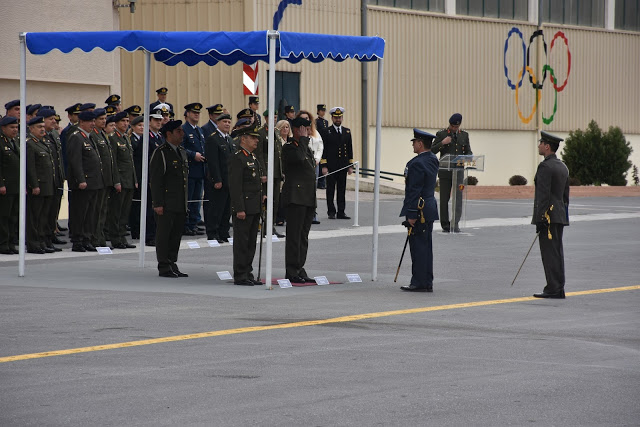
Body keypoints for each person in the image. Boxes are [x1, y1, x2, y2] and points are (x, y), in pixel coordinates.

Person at [400, 129, 439, 292]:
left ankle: (419, 282)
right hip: (429, 206)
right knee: (426, 247)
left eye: (414, 142)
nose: (413, 145)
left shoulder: (415, 163)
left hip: (419, 209)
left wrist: (411, 213)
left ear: (420, 144)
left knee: (418, 248)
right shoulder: (432, 159)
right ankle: (426, 280)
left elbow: (414, 190)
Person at [532, 131, 570, 299]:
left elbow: (543, 195)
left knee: (549, 254)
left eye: (541, 143)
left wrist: (540, 218)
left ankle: (553, 288)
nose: (539, 145)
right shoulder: (562, 166)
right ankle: (558, 287)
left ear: (547, 147)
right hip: (559, 215)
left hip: (548, 217)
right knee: (556, 252)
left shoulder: (545, 166)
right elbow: (565, 196)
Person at [149, 120, 189, 278]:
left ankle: (172, 262)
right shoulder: (161, 152)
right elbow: (157, 180)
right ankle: (164, 265)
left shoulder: (182, 151)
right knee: (164, 234)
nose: (182, 133)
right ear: (169, 134)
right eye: (178, 131)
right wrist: (158, 203)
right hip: (166, 202)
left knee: (176, 234)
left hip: (179, 201)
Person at [228, 125, 266, 286]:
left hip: (254, 206)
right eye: (253, 137)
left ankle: (248, 272)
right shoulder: (238, 158)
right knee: (242, 242)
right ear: (243, 139)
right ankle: (240, 274)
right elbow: (235, 186)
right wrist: (239, 208)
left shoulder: (252, 157)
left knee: (251, 241)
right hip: (244, 208)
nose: (256, 140)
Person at [282, 116, 316, 283]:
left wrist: (304, 142)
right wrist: (302, 140)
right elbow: (299, 159)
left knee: (303, 236)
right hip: (296, 198)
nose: (307, 132)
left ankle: (300, 267)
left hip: (307, 198)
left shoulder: (305, 146)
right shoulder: (290, 147)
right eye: (304, 129)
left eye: (308, 129)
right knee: (294, 236)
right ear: (296, 130)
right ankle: (291, 270)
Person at [66, 111, 104, 252]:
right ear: (82, 122)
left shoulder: (88, 137)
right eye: (90, 122)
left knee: (91, 213)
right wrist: (80, 180)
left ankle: (87, 239)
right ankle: (78, 241)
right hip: (84, 183)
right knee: (80, 213)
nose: (93, 124)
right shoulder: (76, 137)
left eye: (94, 121)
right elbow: (75, 162)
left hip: (94, 183)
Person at [431, 113, 472, 233]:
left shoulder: (464, 135)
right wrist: (442, 143)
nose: (454, 129)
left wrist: (469, 156)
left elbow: (468, 150)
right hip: (445, 171)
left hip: (458, 171)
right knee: (444, 199)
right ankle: (445, 225)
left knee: (458, 198)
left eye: (456, 127)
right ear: (450, 124)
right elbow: (432, 150)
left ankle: (455, 223)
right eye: (453, 126)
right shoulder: (441, 134)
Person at [26, 116, 57, 253]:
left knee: (44, 216)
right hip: (38, 186)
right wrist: (34, 185)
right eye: (39, 127)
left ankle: (42, 241)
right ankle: (33, 243)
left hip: (48, 185)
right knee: (35, 216)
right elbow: (30, 167)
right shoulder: (30, 143)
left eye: (43, 127)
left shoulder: (43, 142)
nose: (43, 129)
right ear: (31, 129)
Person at [108, 111, 138, 249]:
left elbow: (131, 162)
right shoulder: (113, 138)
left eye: (127, 121)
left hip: (129, 180)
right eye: (123, 121)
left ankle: (122, 237)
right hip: (120, 180)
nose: (126, 123)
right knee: (117, 211)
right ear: (116, 123)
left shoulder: (126, 137)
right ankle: (116, 238)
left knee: (125, 211)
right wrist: (116, 181)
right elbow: (113, 162)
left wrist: (135, 179)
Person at [38, 108, 67, 247]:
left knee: (53, 211)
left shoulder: (54, 134)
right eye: (50, 119)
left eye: (54, 119)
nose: (54, 121)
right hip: (45, 180)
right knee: (44, 212)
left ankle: (50, 235)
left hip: (56, 179)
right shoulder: (39, 136)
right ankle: (43, 239)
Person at [204, 113, 234, 242]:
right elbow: (213, 162)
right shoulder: (213, 139)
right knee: (216, 208)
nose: (227, 124)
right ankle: (213, 233)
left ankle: (224, 232)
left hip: (229, 180)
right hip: (219, 180)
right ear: (218, 123)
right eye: (224, 122)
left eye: (228, 122)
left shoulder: (230, 139)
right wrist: (217, 179)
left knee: (226, 209)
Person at [320, 107, 353, 220]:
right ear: (332, 118)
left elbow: (349, 149)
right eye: (336, 117)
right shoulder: (326, 131)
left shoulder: (347, 131)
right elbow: (323, 149)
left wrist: (350, 165)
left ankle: (341, 211)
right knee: (330, 190)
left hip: (343, 166)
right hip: (331, 166)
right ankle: (331, 211)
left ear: (342, 118)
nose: (338, 119)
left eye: (339, 117)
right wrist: (324, 166)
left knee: (341, 190)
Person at [90, 109, 116, 249]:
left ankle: (100, 238)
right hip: (98, 179)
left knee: (103, 210)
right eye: (101, 119)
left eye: (105, 118)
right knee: (96, 211)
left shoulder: (103, 135)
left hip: (106, 179)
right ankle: (96, 238)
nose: (104, 121)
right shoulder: (93, 136)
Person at [256, 111, 285, 237]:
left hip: (277, 172)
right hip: (267, 171)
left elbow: (279, 153)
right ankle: (263, 227)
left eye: (275, 117)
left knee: (275, 201)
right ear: (266, 118)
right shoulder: (261, 132)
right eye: (271, 117)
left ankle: (271, 227)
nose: (273, 119)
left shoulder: (276, 131)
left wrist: (282, 170)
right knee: (266, 201)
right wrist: (263, 172)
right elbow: (259, 154)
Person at [181, 102, 206, 236]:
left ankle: (193, 223)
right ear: (188, 114)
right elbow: (181, 148)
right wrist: (192, 154)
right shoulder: (183, 129)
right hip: (189, 170)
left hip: (199, 170)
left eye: (198, 113)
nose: (196, 115)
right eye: (194, 112)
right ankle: (186, 225)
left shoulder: (199, 130)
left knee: (197, 199)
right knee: (189, 199)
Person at [298, 110, 323, 225]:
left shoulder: (315, 133)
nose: (305, 120)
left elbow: (320, 147)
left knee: (313, 188)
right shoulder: (297, 133)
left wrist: (317, 159)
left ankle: (313, 213)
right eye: (303, 118)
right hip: (304, 163)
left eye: (307, 118)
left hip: (314, 163)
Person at [0, 116, 20, 254]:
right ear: (3, 128)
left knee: (14, 216)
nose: (15, 130)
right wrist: (1, 184)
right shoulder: (1, 142)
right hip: (5, 187)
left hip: (16, 186)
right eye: (12, 127)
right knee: (4, 216)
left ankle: (11, 243)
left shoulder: (15, 142)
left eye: (16, 127)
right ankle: (3, 244)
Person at [315, 104, 328, 189]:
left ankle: (323, 182)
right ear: (318, 111)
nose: (323, 112)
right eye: (322, 110)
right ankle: (320, 182)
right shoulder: (316, 121)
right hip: (319, 143)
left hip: (325, 144)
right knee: (319, 162)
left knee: (324, 162)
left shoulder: (326, 122)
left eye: (324, 110)